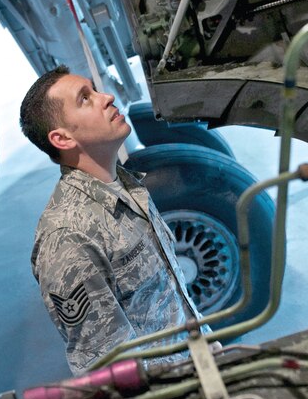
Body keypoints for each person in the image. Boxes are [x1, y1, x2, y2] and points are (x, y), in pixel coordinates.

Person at [20, 65, 205, 375]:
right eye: (85, 99)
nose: (106, 98)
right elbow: (108, 368)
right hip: (174, 397)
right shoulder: (68, 239)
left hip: (195, 362)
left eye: (95, 90)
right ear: (62, 138)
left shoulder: (126, 185)